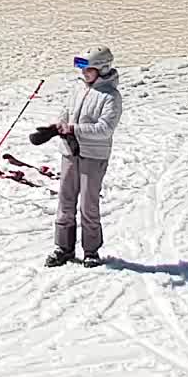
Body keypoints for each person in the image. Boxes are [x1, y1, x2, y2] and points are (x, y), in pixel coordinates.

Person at [42, 46, 123, 268]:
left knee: (88, 204)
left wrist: (74, 129)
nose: (84, 74)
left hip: (93, 156)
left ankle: (91, 251)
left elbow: (105, 129)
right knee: (65, 201)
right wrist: (58, 126)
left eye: (89, 70)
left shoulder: (111, 97)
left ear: (103, 69)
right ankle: (63, 248)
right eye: (83, 70)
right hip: (70, 152)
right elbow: (65, 111)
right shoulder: (78, 89)